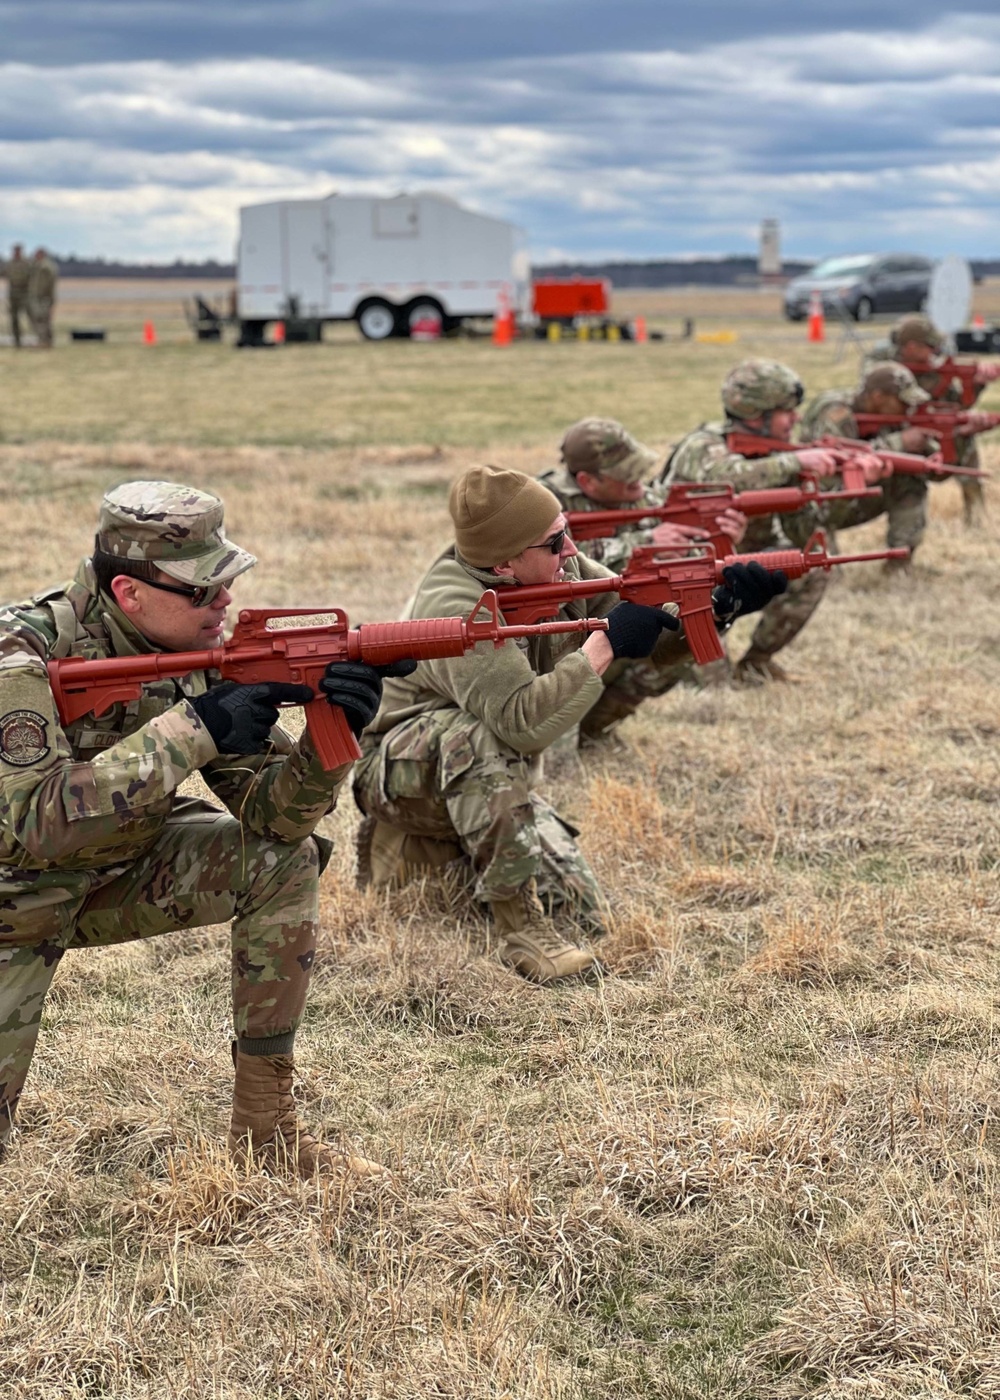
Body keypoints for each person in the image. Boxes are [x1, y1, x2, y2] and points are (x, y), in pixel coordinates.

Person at [0, 481, 398, 1178]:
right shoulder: (20, 657)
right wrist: (194, 730)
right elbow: (35, 823)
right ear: (130, 592)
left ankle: (267, 1136)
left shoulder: (195, 653)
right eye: (203, 591)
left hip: (118, 866)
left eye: (228, 584)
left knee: (283, 861)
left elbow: (273, 819)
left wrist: (331, 738)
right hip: (14, 897)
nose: (224, 604)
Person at [352, 465, 785, 983]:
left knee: (583, 911)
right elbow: (521, 723)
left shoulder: (561, 568)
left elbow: (652, 627)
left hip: (484, 768)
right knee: (477, 736)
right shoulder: (454, 605)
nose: (571, 550)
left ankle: (452, 856)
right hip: (401, 769)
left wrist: (716, 608)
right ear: (507, 561)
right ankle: (524, 934)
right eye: (555, 541)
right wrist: (604, 645)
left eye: (567, 532)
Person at [659, 359, 876, 682]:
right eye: (786, 411)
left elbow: (808, 528)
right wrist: (794, 462)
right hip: (686, 576)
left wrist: (842, 484)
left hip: (737, 567)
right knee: (711, 685)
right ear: (757, 414)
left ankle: (757, 661)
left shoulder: (780, 457)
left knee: (813, 567)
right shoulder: (704, 446)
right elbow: (727, 475)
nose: (796, 419)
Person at [538, 417, 747, 739]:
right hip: (555, 632)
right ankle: (559, 737)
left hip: (617, 616)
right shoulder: (541, 504)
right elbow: (544, 562)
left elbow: (686, 563)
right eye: (627, 476)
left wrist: (719, 540)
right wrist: (642, 542)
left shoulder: (646, 500)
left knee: (677, 636)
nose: (640, 482)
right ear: (588, 481)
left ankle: (598, 727)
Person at [798, 363, 942, 566]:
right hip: (821, 502)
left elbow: (939, 474)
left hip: (859, 496)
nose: (908, 409)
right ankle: (823, 564)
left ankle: (900, 562)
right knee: (825, 580)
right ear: (878, 397)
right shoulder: (833, 412)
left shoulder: (892, 414)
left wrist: (940, 446)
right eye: (902, 402)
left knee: (911, 482)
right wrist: (899, 442)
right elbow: (831, 463)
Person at [867, 314, 998, 526]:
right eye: (929, 347)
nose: (934, 352)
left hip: (930, 431)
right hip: (893, 436)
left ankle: (976, 517)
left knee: (965, 438)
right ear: (910, 347)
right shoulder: (881, 369)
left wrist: (975, 383)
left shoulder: (935, 370)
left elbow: (958, 405)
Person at [27, 247, 58, 348]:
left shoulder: (45, 267)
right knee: (42, 319)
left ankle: (44, 341)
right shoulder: (38, 266)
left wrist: (50, 299)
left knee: (42, 319)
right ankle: (45, 341)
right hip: (38, 297)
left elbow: (49, 284)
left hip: (44, 297)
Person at [3, 244, 30, 347]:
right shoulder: (10, 263)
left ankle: (39, 338)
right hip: (13, 293)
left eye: (18, 251)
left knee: (30, 315)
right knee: (14, 318)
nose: (16, 253)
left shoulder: (26, 263)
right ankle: (17, 340)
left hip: (24, 293)